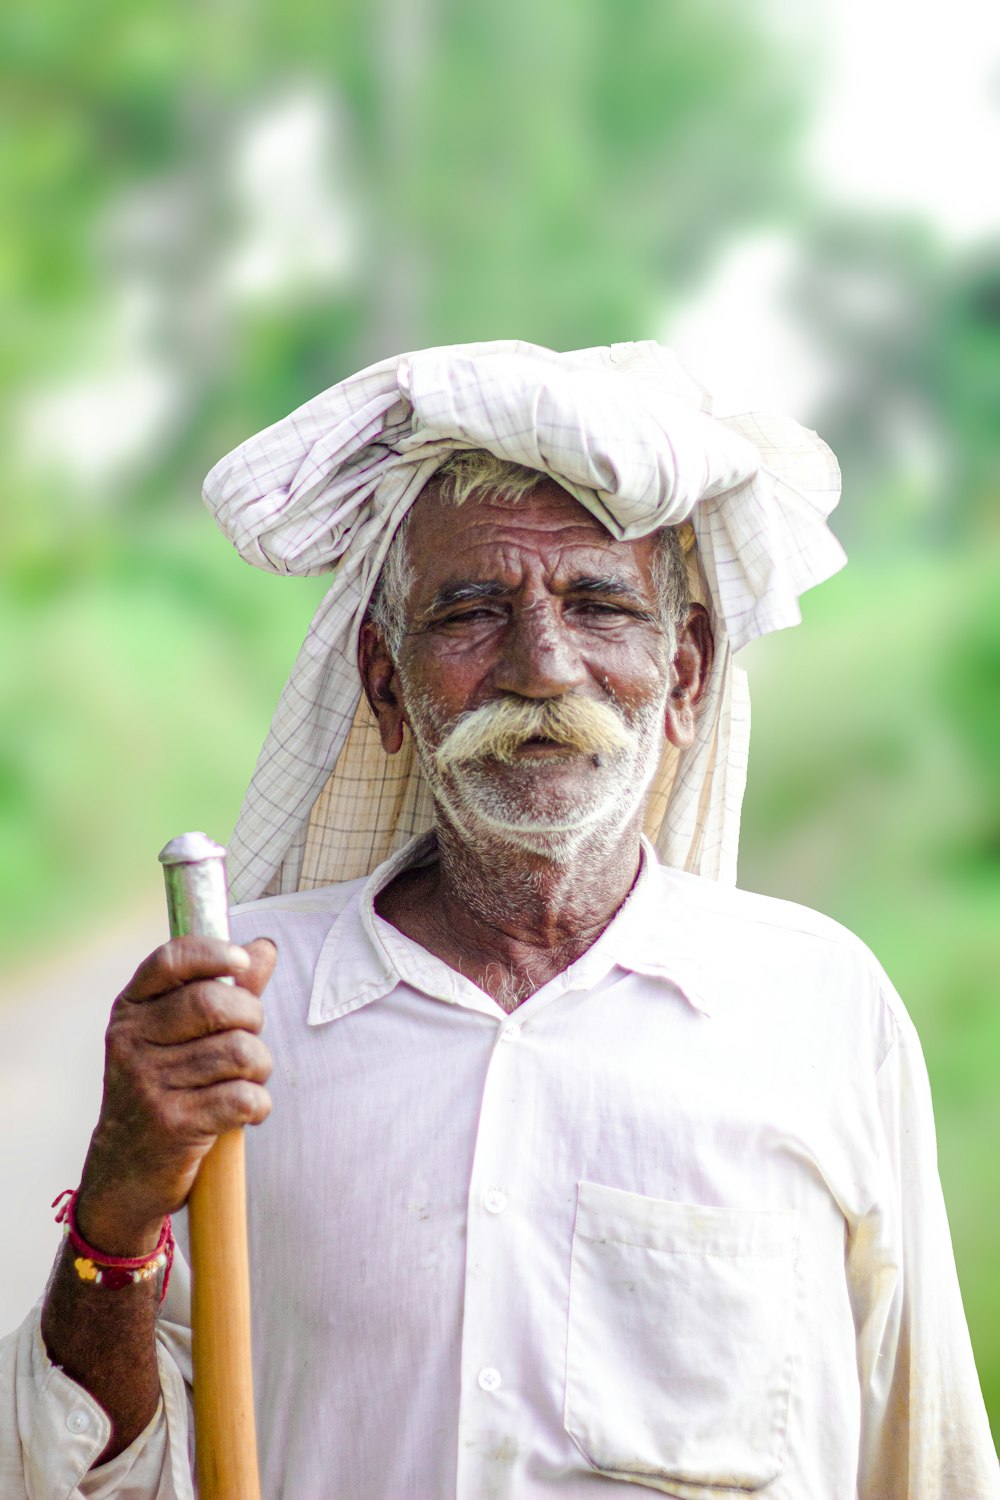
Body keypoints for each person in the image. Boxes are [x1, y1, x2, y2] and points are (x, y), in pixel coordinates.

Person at [1, 340, 997, 1498]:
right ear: (385, 682)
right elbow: (87, 1474)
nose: (542, 666)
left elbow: (927, 1466)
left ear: (682, 674)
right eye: (472, 611)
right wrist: (117, 1211)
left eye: (597, 604)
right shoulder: (243, 1025)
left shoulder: (820, 1011)